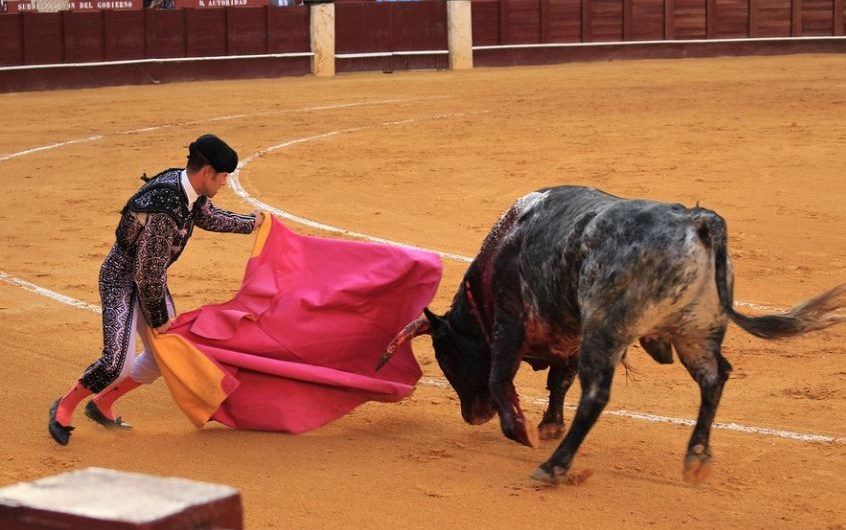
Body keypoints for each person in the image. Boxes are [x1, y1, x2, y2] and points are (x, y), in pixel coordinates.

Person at [48, 133, 263, 446]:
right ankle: (64, 406)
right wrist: (159, 316)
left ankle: (102, 404)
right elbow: (146, 273)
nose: (225, 183)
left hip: (148, 281)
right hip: (120, 280)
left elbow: (207, 216)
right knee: (115, 363)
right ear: (207, 173)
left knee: (165, 355)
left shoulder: (185, 186)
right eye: (223, 177)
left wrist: (249, 223)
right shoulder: (166, 208)